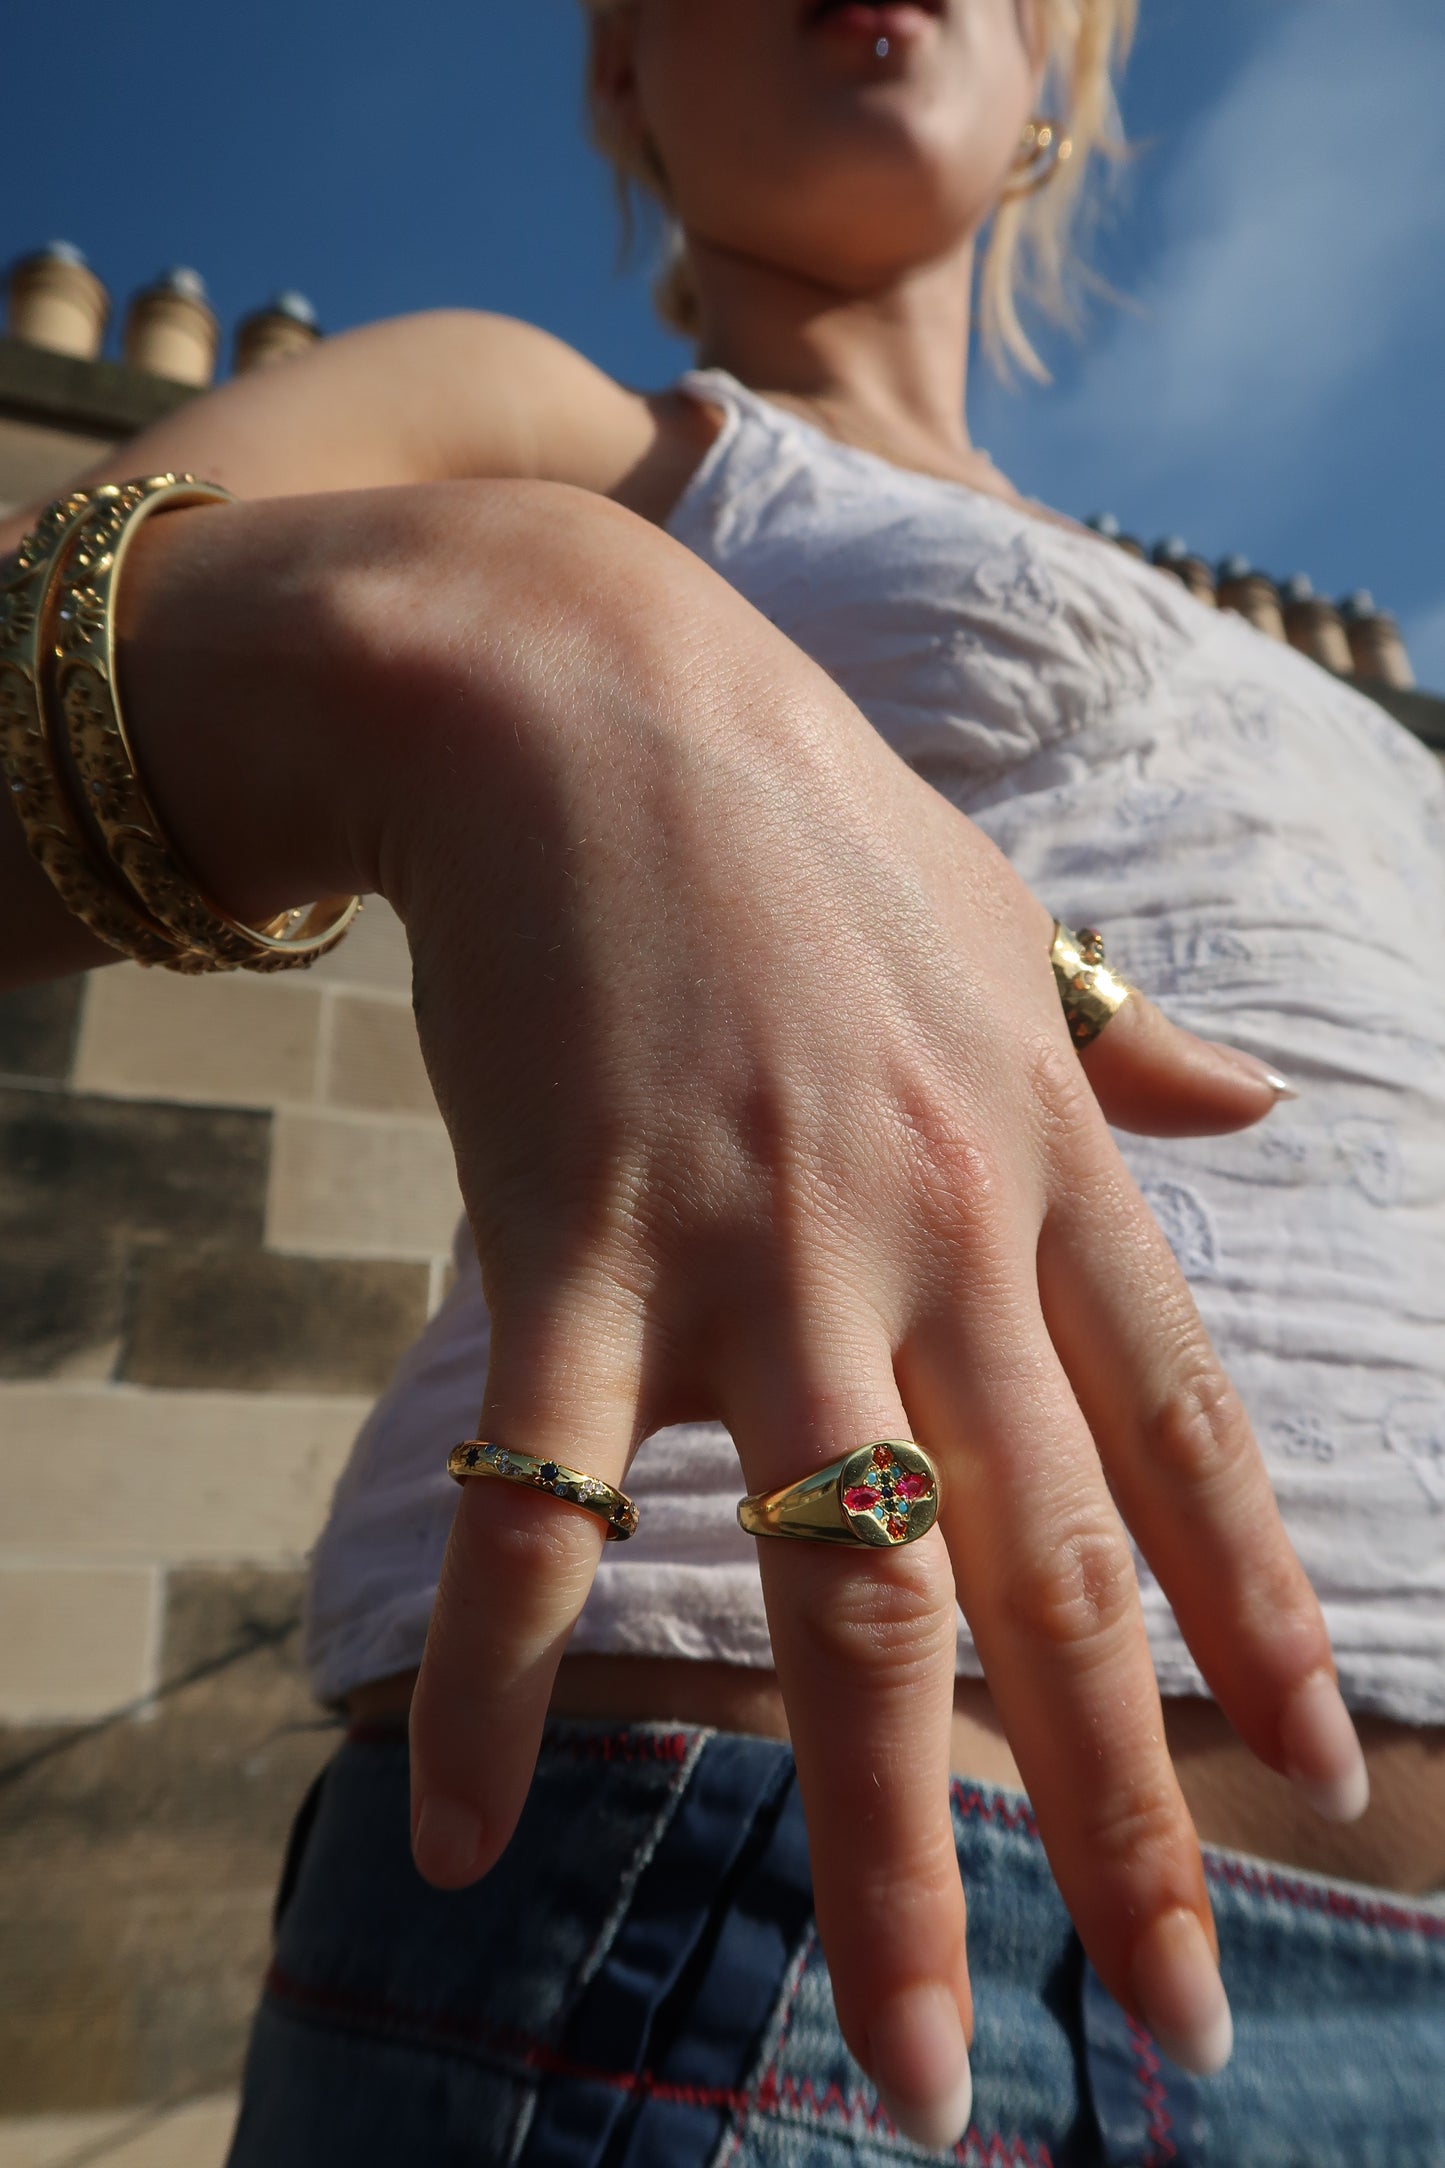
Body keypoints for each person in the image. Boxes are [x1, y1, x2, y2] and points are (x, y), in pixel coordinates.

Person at [3, 1, 1442, 2159]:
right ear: (618, 81)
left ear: (1058, 79)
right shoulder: (562, 423)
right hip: (780, 1932)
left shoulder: (1260, 622)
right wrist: (515, 625)